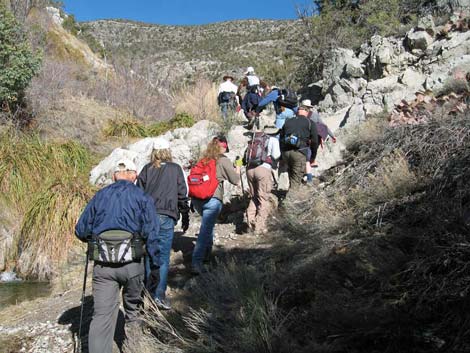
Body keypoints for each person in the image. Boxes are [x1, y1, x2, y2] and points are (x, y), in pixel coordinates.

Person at [75, 159, 160, 353]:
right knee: (133, 311)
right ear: (134, 175)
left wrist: (97, 240)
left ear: (114, 175)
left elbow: (81, 230)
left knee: (102, 315)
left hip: (103, 267)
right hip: (133, 264)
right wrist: (154, 266)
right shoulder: (142, 197)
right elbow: (152, 234)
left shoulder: (100, 196)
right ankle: (133, 348)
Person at [136, 138, 189, 310]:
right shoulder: (175, 169)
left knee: (149, 254)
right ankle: (158, 296)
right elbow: (182, 193)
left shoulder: (146, 169)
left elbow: (138, 194)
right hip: (167, 216)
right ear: (168, 151)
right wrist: (184, 213)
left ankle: (147, 294)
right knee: (163, 257)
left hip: (148, 216)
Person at [191, 135, 240, 274]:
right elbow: (235, 180)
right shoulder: (223, 160)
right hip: (212, 199)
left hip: (197, 199)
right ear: (223, 147)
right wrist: (238, 168)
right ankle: (196, 262)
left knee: (208, 226)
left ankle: (207, 256)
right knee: (205, 229)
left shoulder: (203, 159)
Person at [245, 126, 281, 234]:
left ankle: (250, 223)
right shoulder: (272, 140)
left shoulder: (252, 141)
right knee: (263, 198)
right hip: (263, 169)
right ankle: (259, 227)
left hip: (249, 170)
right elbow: (276, 155)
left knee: (254, 196)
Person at [280, 103, 319, 188]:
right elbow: (315, 141)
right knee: (296, 181)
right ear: (306, 112)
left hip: (286, 153)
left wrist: (281, 156)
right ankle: (291, 199)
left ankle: (287, 195)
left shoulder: (288, 121)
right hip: (299, 152)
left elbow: (281, 138)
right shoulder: (310, 122)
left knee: (291, 176)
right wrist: (313, 156)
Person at [300, 99, 336, 181]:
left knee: (306, 157)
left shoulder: (299, 115)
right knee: (309, 157)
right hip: (315, 139)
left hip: (305, 139)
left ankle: (307, 176)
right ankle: (308, 175)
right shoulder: (315, 115)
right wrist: (332, 136)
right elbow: (323, 126)